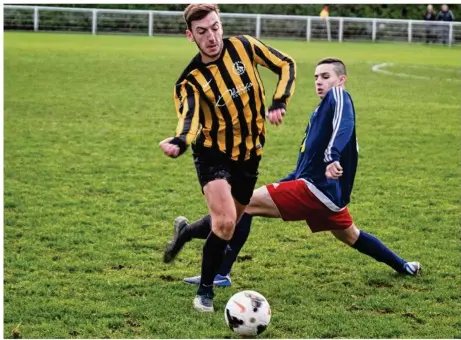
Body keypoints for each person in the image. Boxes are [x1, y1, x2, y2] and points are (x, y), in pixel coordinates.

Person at [164, 57, 421, 294]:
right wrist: (288, 180)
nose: (319, 82)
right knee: (351, 235)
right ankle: (404, 266)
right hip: (326, 194)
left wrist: (332, 157)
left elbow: (345, 124)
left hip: (316, 189)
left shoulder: (339, 97)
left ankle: (214, 265)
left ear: (341, 80)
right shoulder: (319, 112)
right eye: (316, 77)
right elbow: (306, 165)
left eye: (326, 76)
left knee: (243, 205)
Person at [159, 4, 296, 312]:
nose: (212, 36)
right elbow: (189, 118)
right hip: (213, 154)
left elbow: (286, 63)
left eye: (215, 27)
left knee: (230, 222)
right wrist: (180, 141)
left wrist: (279, 100)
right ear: (190, 35)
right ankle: (205, 292)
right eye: (202, 31)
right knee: (224, 223)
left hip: (250, 154)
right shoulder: (190, 80)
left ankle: (185, 232)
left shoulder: (244, 46)